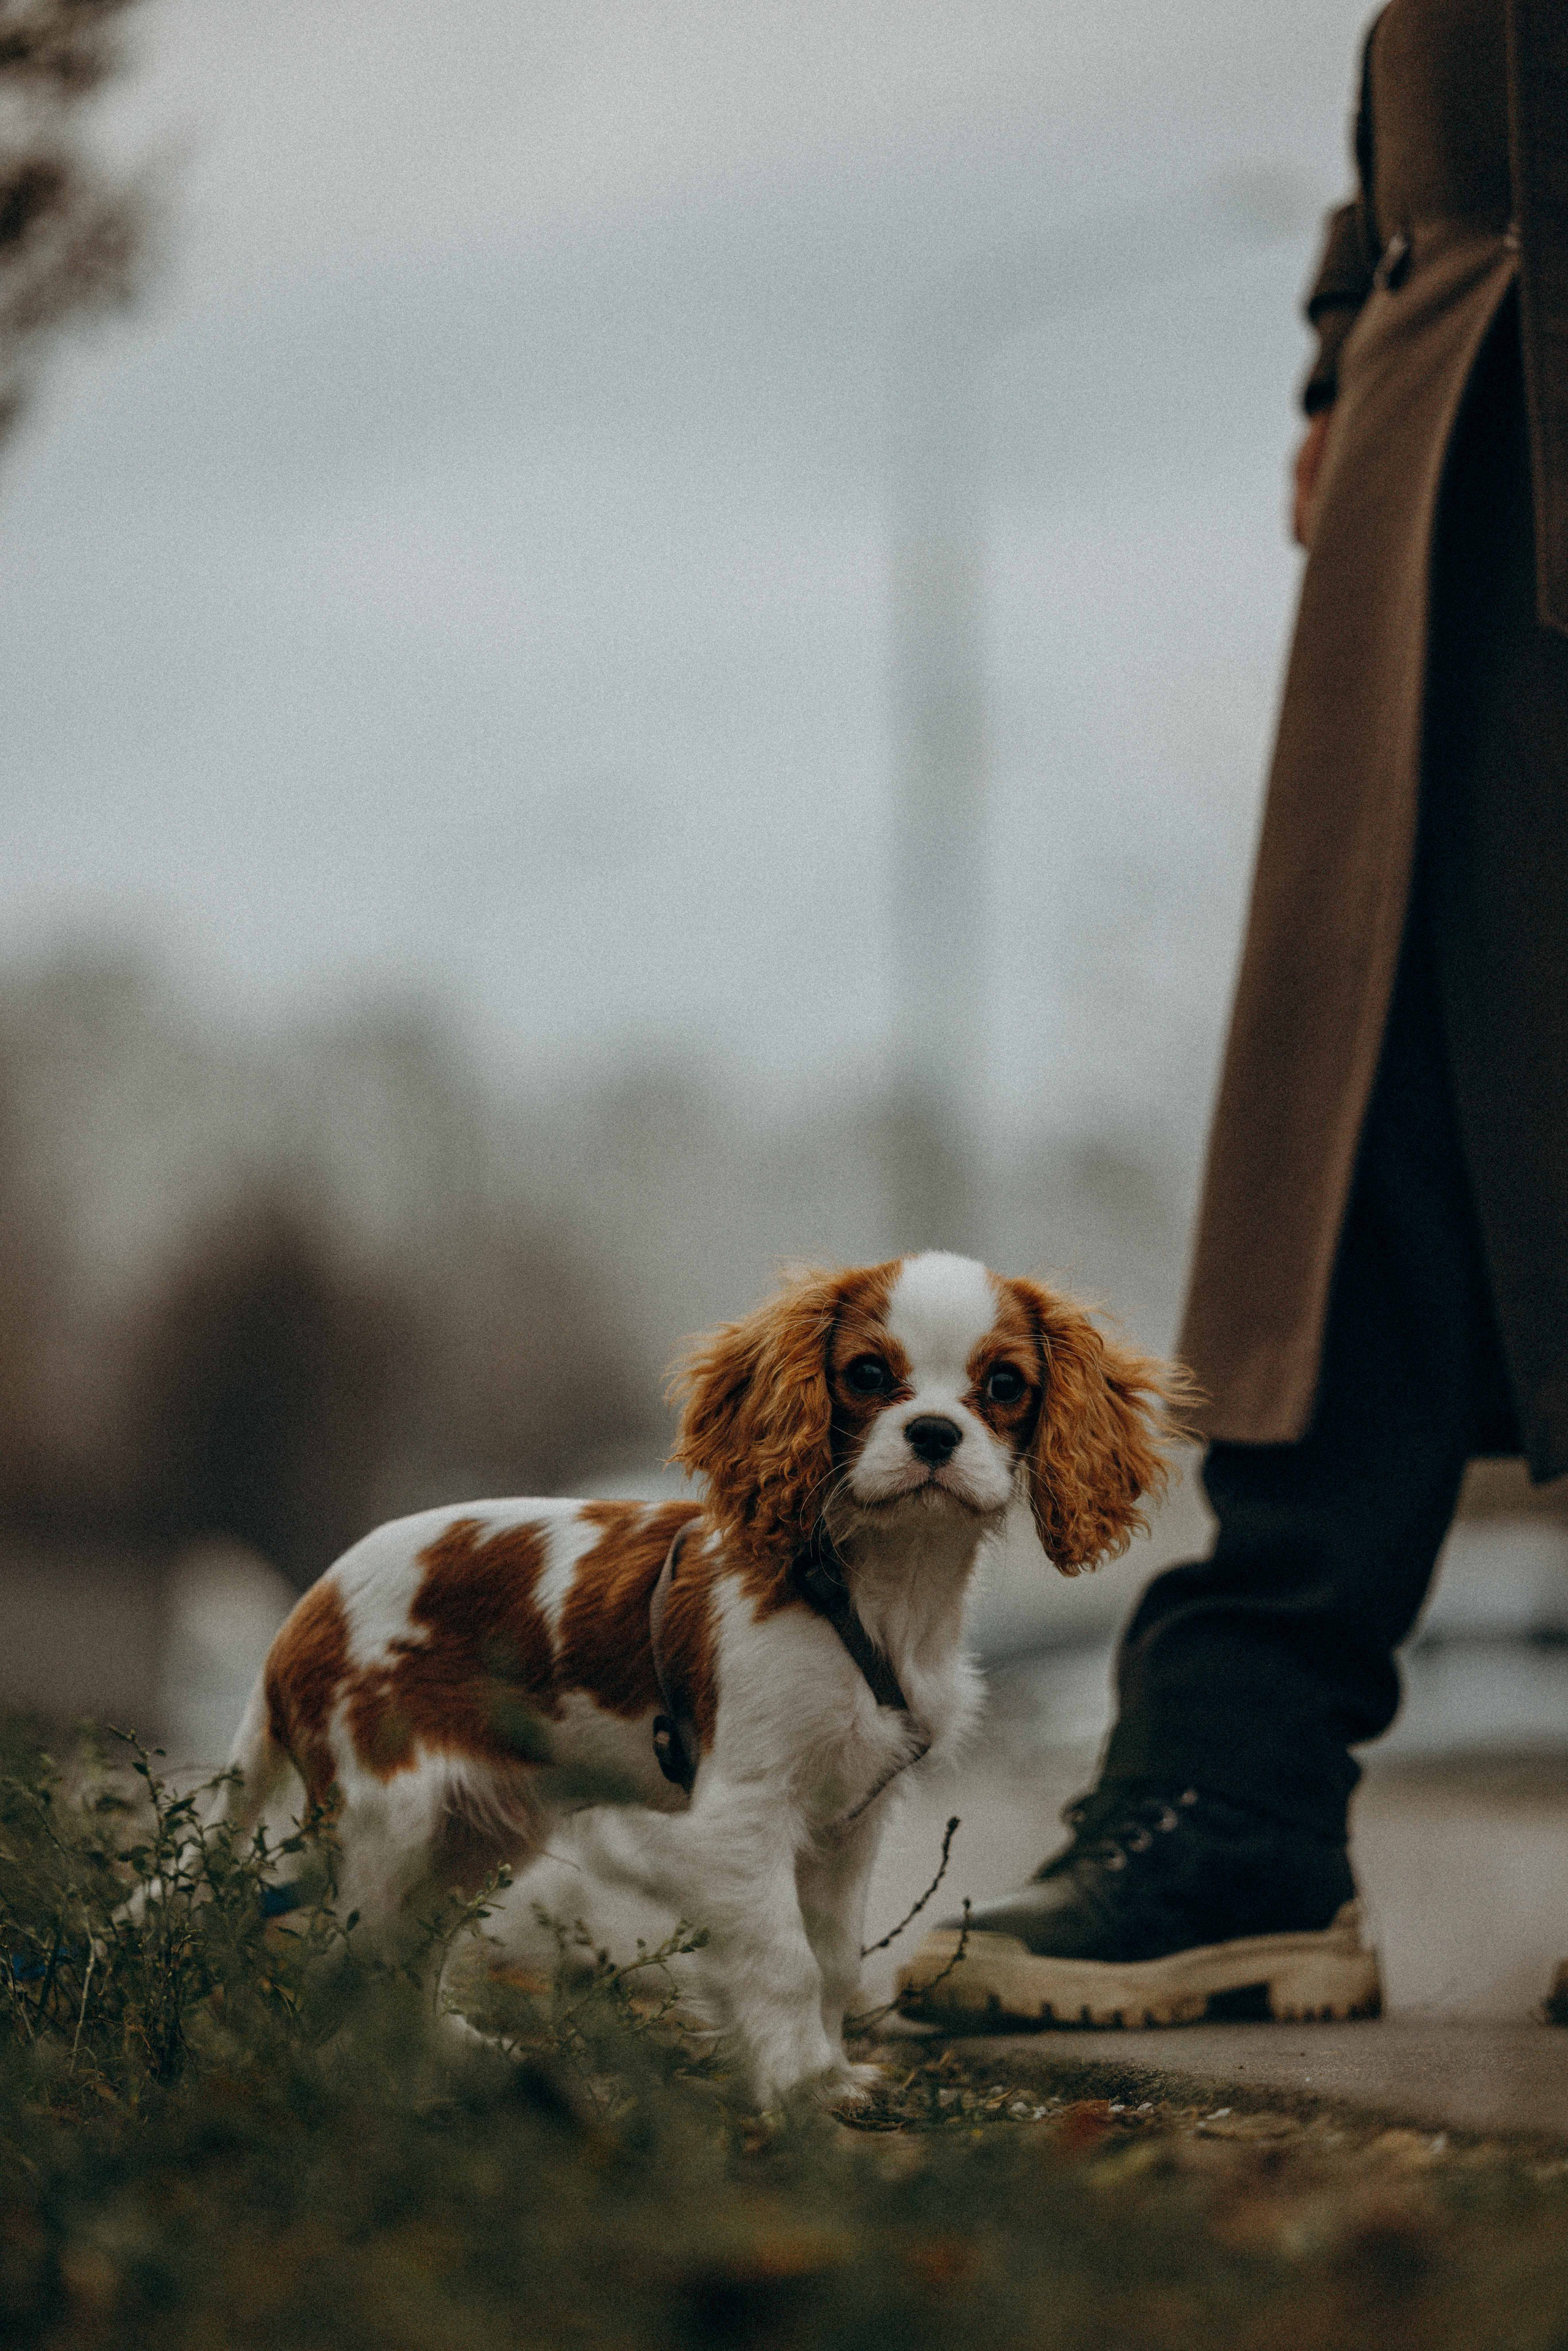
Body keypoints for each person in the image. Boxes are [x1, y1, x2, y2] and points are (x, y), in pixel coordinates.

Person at [900, 0, 1568, 2029]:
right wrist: (1347, 328)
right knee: (1364, 1131)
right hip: (1457, 374)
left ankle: (1239, 1784)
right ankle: (1235, 1800)